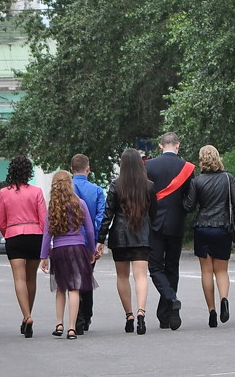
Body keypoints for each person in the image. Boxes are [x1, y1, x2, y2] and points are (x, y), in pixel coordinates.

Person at [98, 148, 156, 336]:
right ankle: (141, 312)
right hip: (142, 235)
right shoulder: (148, 186)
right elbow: (154, 213)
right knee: (141, 276)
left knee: (122, 277)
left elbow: (108, 214)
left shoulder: (116, 185)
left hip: (120, 236)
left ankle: (129, 315)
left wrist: (100, 239)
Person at [183, 145, 235, 328]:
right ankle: (224, 299)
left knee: (206, 272)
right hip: (222, 227)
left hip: (202, 227)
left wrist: (182, 196)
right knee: (222, 271)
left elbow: (189, 207)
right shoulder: (227, 178)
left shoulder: (197, 181)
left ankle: (212, 310)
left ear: (201, 159)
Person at [145, 132, 194, 330]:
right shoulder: (188, 168)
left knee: (155, 267)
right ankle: (165, 314)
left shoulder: (148, 166)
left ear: (160, 145)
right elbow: (190, 199)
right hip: (177, 223)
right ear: (177, 145)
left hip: (154, 223)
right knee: (172, 267)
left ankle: (171, 299)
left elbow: (145, 196)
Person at [40, 170, 96, 340]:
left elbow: (47, 234)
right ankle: (72, 328)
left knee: (60, 288)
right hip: (78, 248)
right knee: (74, 289)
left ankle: (59, 324)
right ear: (70, 184)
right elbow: (90, 230)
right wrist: (92, 250)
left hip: (59, 250)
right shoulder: (80, 203)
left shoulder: (53, 207)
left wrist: (43, 256)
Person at [0, 155, 48, 337]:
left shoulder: (4, 192)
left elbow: (0, 220)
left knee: (19, 279)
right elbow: (44, 219)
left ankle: (26, 316)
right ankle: (28, 314)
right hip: (34, 235)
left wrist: (8, 233)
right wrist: (45, 242)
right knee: (31, 278)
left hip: (14, 235)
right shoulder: (36, 191)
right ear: (29, 172)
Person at [70, 153, 106, 334]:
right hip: (89, 241)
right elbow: (101, 217)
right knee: (87, 277)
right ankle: (87, 315)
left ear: (71, 169)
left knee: (73, 279)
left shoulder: (67, 190)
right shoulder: (97, 191)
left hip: (70, 240)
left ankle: (77, 318)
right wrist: (99, 241)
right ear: (88, 169)